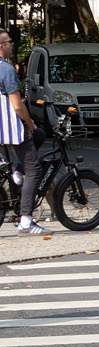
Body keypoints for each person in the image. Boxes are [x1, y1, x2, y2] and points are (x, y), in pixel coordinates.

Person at [0, 29, 45, 234]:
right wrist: (29, 123)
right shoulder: (7, 70)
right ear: (1, 46)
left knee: (40, 135)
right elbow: (17, 106)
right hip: (10, 127)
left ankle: (17, 171)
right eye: (9, 42)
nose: (12, 45)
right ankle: (26, 220)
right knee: (35, 170)